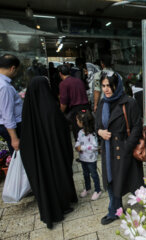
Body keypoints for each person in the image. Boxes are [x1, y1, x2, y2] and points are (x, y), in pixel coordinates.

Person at [20, 76, 78, 229]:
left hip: (40, 159)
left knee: (46, 183)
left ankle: (50, 210)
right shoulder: (51, 108)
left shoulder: (28, 112)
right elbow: (62, 131)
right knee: (58, 177)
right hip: (55, 155)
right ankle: (63, 204)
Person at [95, 71, 144, 225]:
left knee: (135, 184)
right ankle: (114, 211)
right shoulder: (103, 103)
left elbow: (137, 126)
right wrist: (100, 132)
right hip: (109, 150)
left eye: (109, 85)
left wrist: (127, 146)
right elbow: (97, 124)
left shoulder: (129, 102)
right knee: (111, 181)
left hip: (124, 150)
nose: (106, 89)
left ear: (117, 85)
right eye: (103, 86)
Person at [75, 109, 102, 201]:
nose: (76, 122)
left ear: (82, 122)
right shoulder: (80, 132)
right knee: (85, 174)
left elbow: (95, 146)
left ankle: (98, 190)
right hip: (83, 158)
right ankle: (88, 188)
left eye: (77, 120)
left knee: (94, 174)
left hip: (91, 159)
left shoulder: (91, 134)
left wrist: (82, 148)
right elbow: (78, 141)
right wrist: (77, 146)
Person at [58, 64, 89, 139]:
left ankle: (82, 149)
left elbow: (63, 103)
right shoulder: (79, 81)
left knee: (78, 134)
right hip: (86, 109)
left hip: (76, 111)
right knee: (88, 130)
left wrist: (60, 113)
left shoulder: (63, 84)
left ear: (60, 74)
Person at [0, 54, 22, 155]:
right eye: (17, 70)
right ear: (13, 68)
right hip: (11, 128)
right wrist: (14, 138)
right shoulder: (5, 87)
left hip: (5, 126)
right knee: (18, 155)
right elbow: (7, 114)